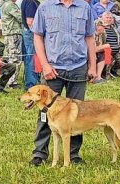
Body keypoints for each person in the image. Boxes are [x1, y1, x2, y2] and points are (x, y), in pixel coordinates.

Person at [29, 0, 97, 166]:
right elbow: (37, 36)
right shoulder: (45, 7)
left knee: (78, 113)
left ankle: (73, 154)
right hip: (53, 68)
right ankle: (40, 153)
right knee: (45, 113)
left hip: (78, 67)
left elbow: (89, 37)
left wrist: (93, 65)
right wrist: (45, 65)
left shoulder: (85, 7)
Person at [0, 0, 23, 89]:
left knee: (9, 58)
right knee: (15, 59)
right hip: (14, 34)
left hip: (8, 34)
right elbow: (21, 18)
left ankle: (8, 80)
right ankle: (12, 82)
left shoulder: (3, 4)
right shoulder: (10, 5)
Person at [101, 11, 120, 78]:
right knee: (109, 58)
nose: (109, 19)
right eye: (107, 18)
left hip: (116, 51)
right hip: (105, 51)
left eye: (110, 18)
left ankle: (114, 72)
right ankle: (106, 74)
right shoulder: (100, 29)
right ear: (102, 19)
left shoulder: (115, 29)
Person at [21, 0, 40, 91]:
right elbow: (30, 21)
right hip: (31, 33)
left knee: (31, 59)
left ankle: (32, 81)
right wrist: (37, 35)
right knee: (31, 59)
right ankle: (30, 84)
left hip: (29, 32)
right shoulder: (31, 2)